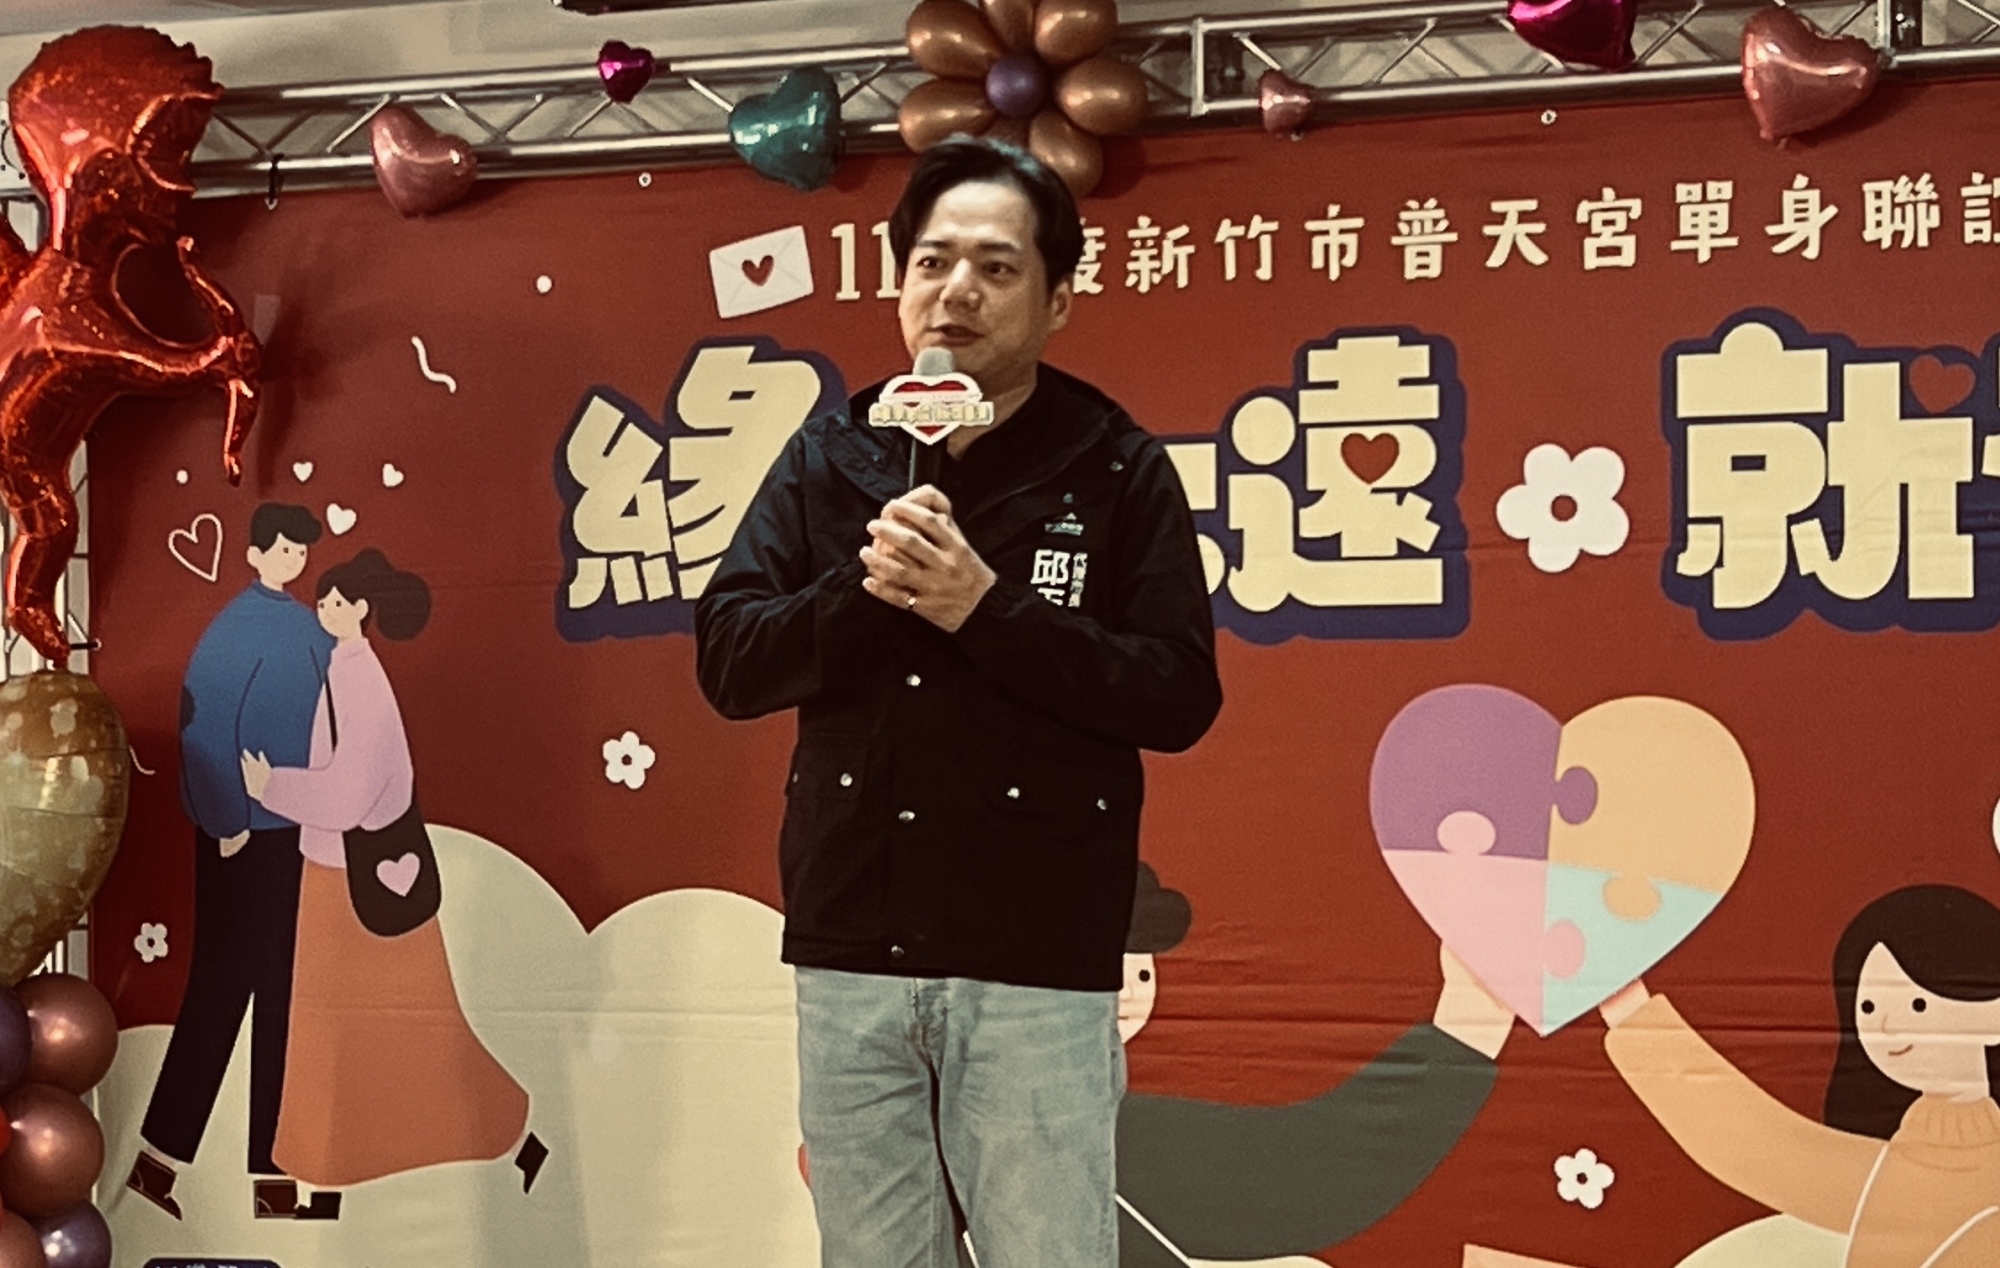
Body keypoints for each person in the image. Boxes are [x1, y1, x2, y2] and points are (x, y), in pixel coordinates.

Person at [694, 136, 1223, 1266]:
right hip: (852, 943)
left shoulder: (1114, 464)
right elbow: (730, 659)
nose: (956, 292)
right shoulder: (833, 455)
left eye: (996, 266)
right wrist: (863, 589)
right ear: (899, 284)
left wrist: (984, 608)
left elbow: (1176, 692)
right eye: (931, 263)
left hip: (1034, 953)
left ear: (1057, 299)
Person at [239, 548, 545, 1201]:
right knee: (358, 1031)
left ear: (363, 610)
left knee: (356, 1031)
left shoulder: (361, 682)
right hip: (350, 876)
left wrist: (272, 786)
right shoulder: (345, 673)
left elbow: (350, 794)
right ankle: (327, 1177)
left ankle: (338, 1177)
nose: (326, 609)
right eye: (323, 600)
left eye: (337, 601)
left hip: (353, 883)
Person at [1603, 884, 2000, 1268]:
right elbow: (1759, 1148)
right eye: (1868, 1006)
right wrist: (1634, 1017)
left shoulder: (1907, 1172)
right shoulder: (1893, 1168)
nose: (1886, 1027)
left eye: (1917, 1005)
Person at [129, 502, 333, 1221]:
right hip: (245, 832)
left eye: (299, 550)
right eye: (281, 548)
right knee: (223, 988)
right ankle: (161, 1163)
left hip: (294, 827)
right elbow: (202, 725)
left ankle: (269, 1178)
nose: (291, 560)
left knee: (281, 994)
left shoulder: (308, 627)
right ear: (255, 553)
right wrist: (228, 821)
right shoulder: (234, 629)